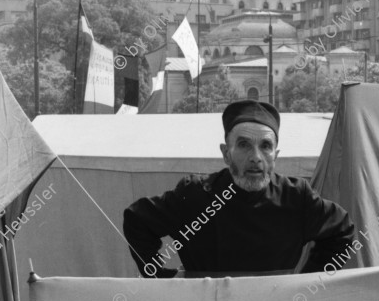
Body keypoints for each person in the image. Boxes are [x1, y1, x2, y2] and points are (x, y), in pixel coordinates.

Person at [123, 100, 354, 278]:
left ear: (276, 156)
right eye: (244, 145)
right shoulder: (195, 194)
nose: (256, 158)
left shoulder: (296, 197)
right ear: (226, 153)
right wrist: (161, 278)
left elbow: (344, 232)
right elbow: (136, 220)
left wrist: (307, 281)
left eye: (265, 146)